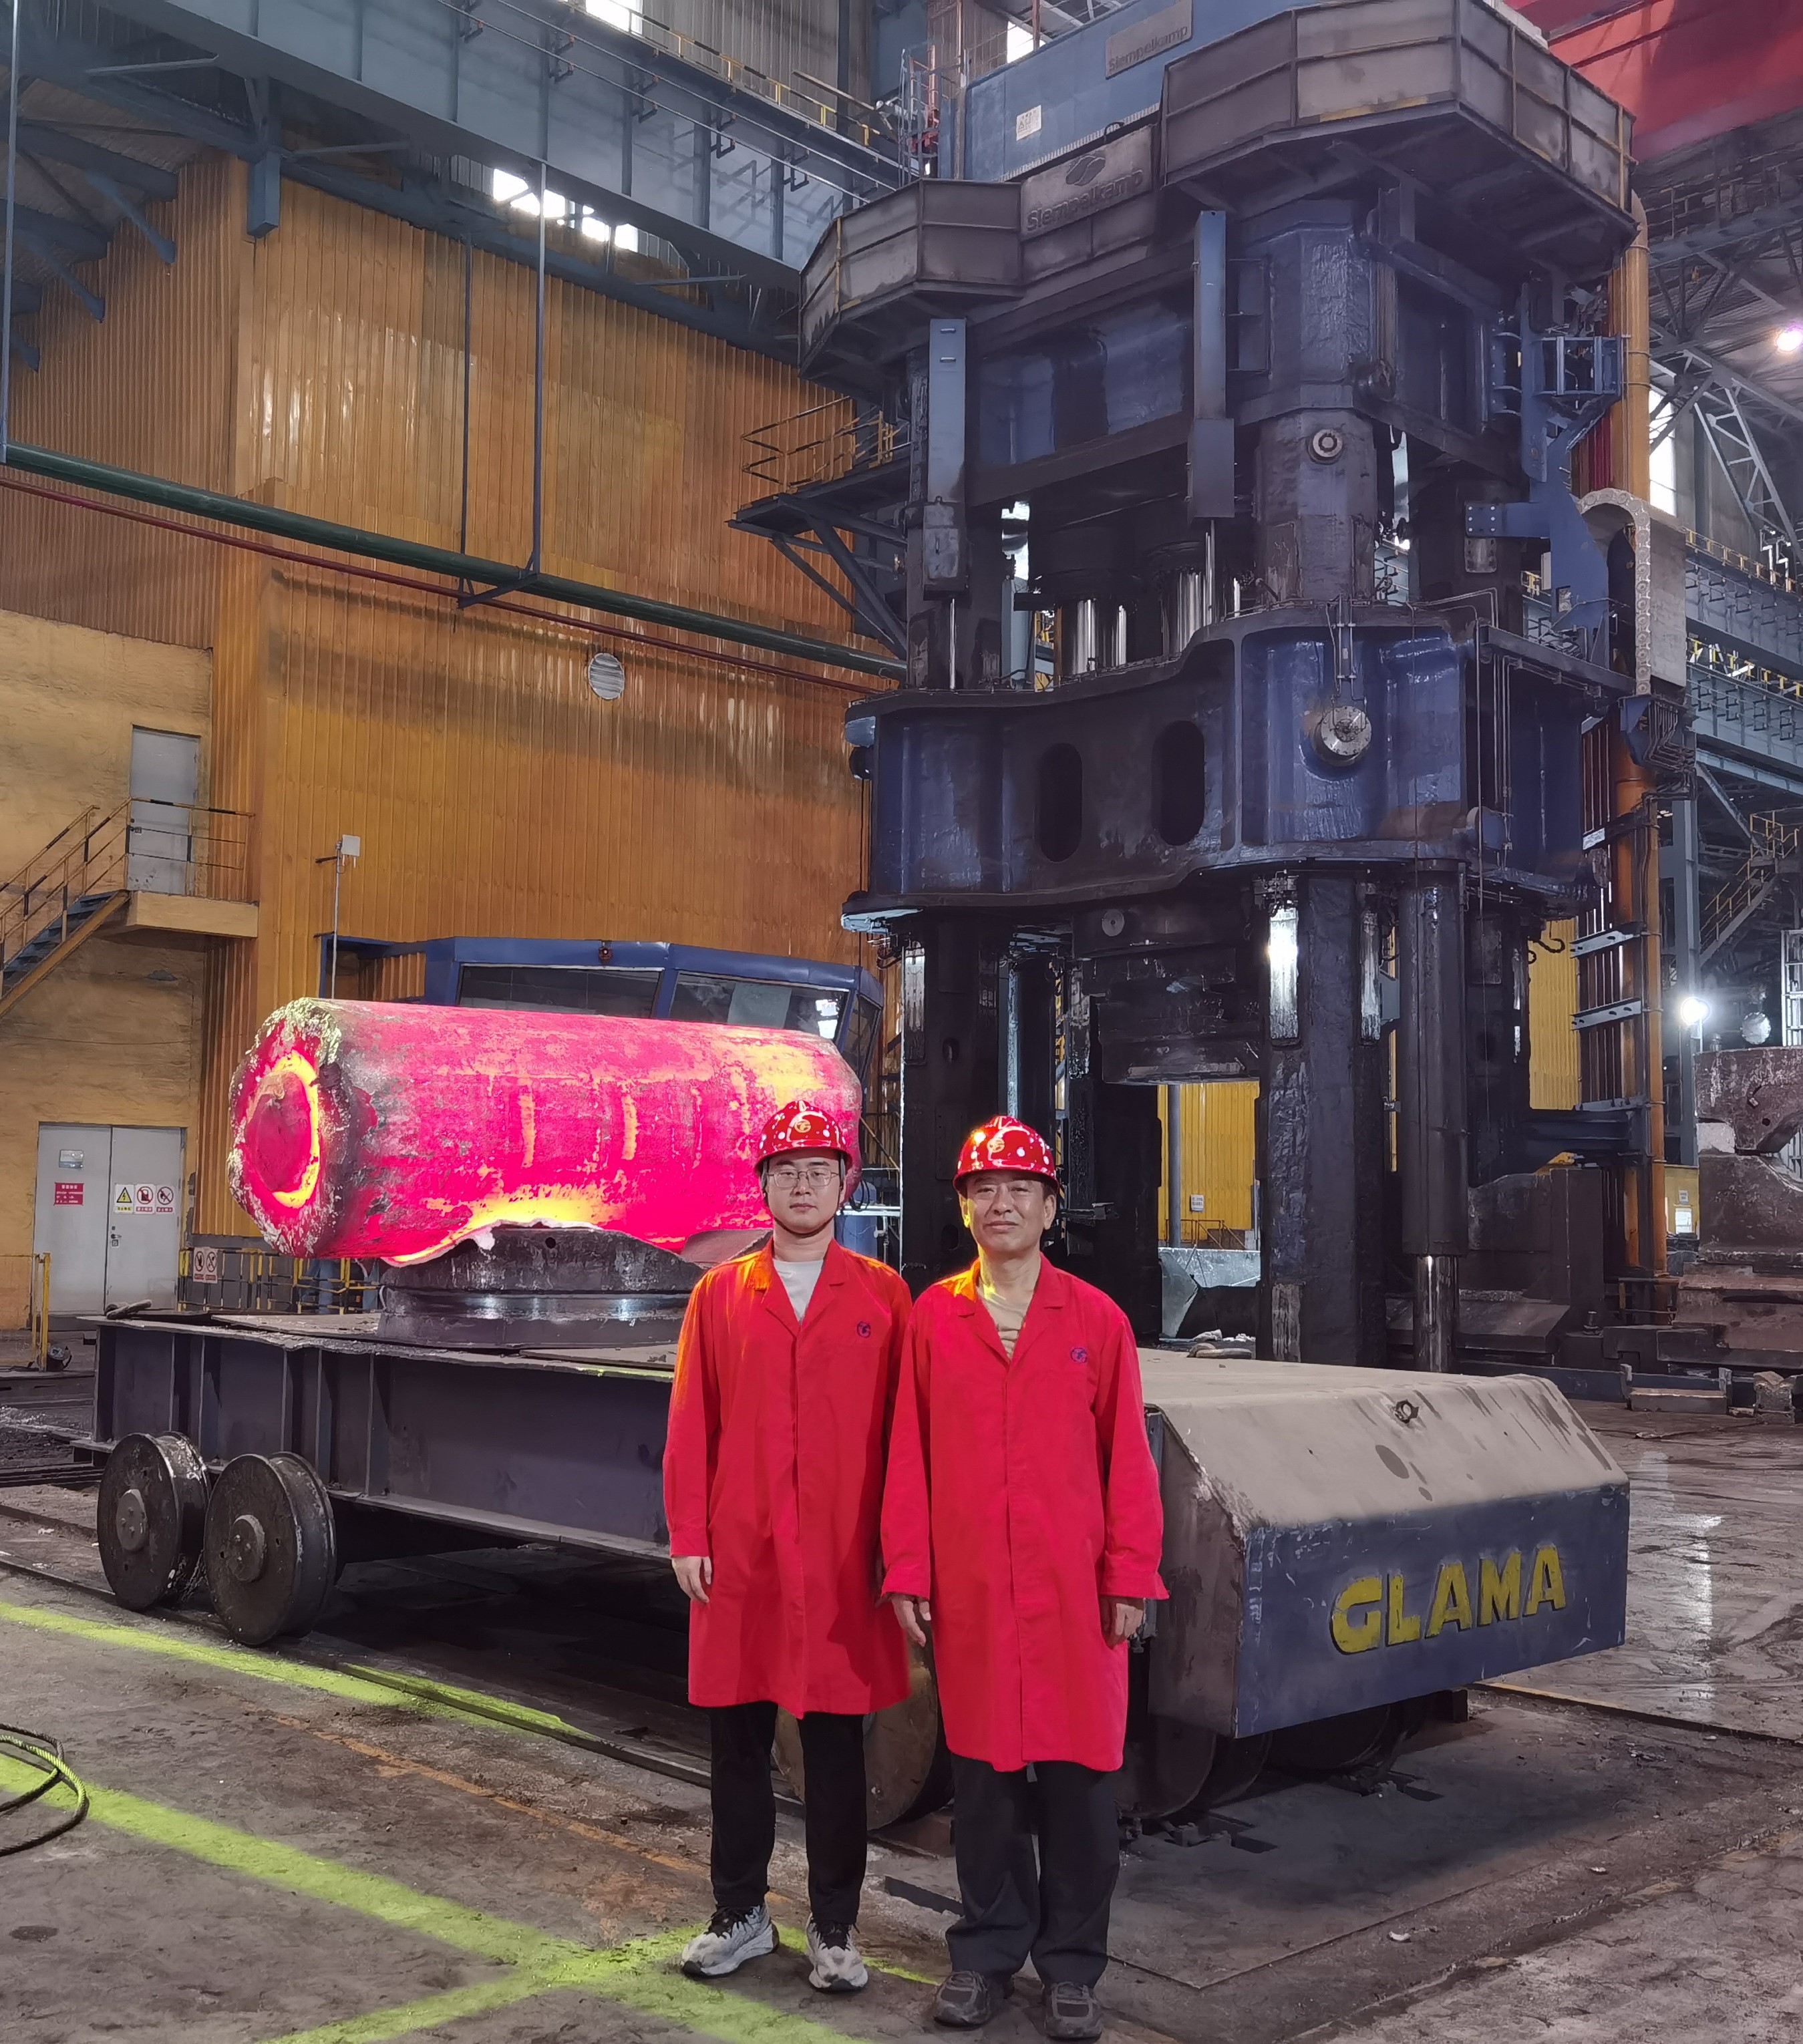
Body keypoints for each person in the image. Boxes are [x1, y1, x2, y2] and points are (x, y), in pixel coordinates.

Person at [881, 1115, 1166, 2041]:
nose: (1000, 1203)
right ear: (965, 1208)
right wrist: (909, 1568)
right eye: (983, 1189)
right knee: (987, 1786)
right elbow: (908, 1455)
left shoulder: (1096, 1322)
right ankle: (986, 1955)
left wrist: (1129, 1575)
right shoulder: (935, 1319)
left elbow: (1128, 1462)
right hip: (973, 1591)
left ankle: (1074, 1969)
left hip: (1075, 1593)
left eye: (1020, 1189)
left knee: (1081, 1787)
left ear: (1049, 1207)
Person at [663, 1099, 913, 1993]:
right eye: (784, 1170)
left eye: (818, 1170)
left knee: (836, 1748)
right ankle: (739, 1914)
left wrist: (902, 1552)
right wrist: (689, 1533)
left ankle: (835, 1927)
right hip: (743, 1557)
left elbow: (907, 1440)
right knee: (736, 1740)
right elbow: (692, 1423)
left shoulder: (883, 1297)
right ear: (762, 1185)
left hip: (843, 1561)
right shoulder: (721, 1296)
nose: (801, 1184)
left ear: (846, 1184)